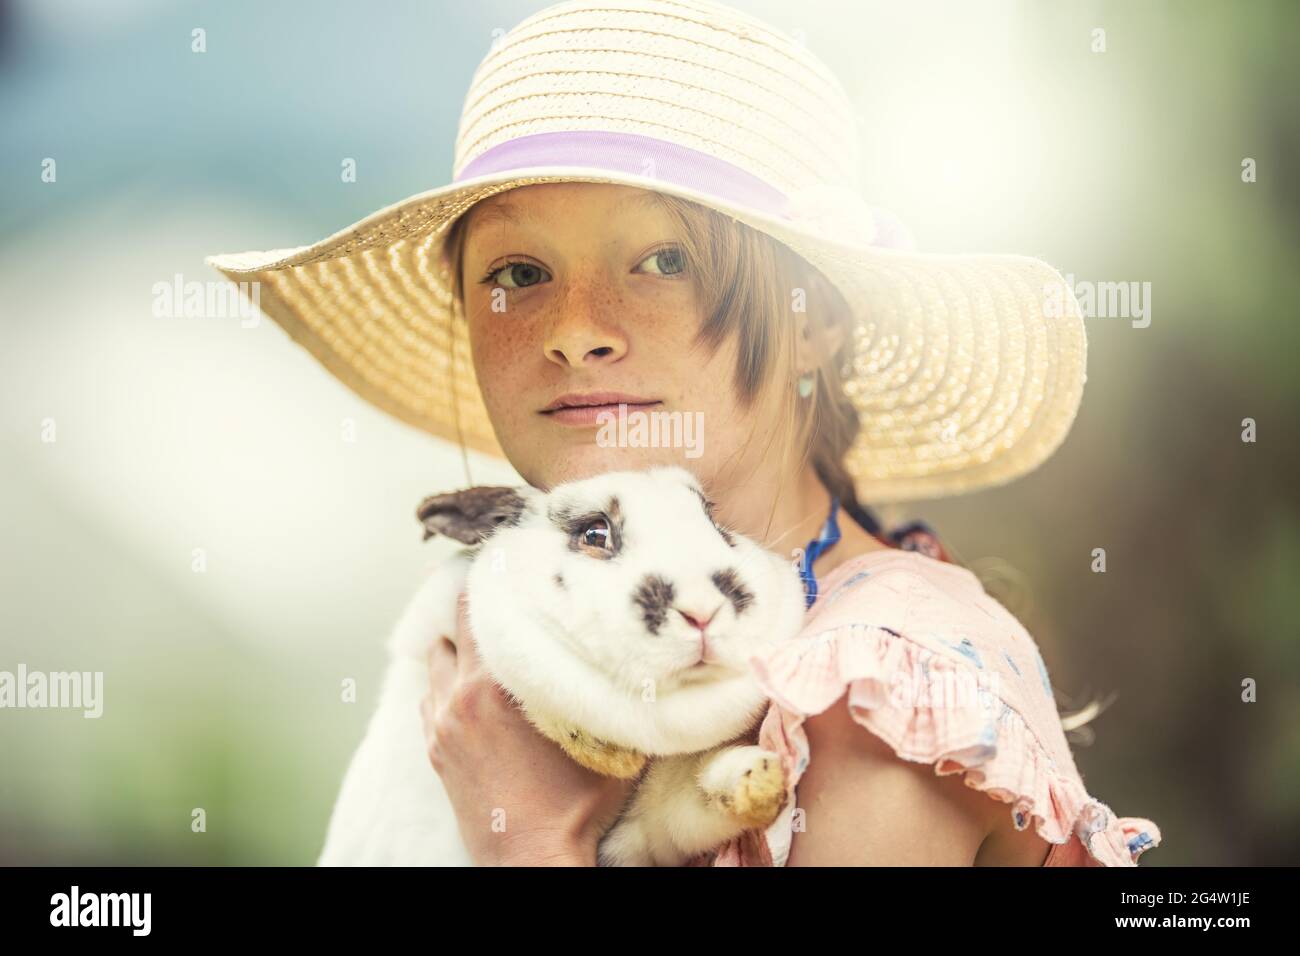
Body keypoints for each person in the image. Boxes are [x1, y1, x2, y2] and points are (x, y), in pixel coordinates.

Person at [207, 0, 1161, 867]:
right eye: (519, 273)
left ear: (814, 323)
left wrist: (529, 839)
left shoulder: (878, 692)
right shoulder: (518, 645)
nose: (576, 331)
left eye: (663, 259)